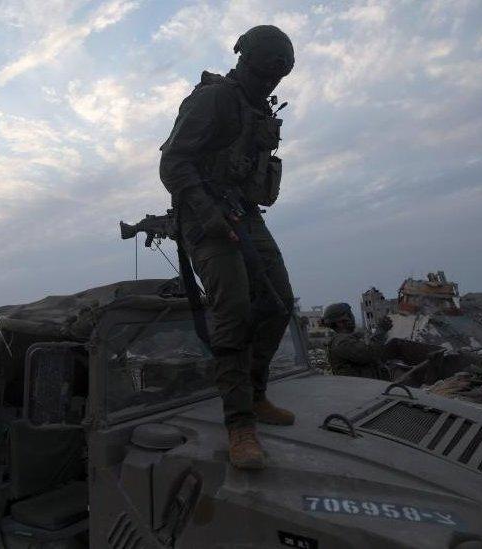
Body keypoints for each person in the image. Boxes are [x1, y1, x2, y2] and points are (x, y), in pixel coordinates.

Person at [159, 25, 295, 470]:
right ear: (247, 59)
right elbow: (173, 162)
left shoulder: (258, 108)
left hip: (243, 211)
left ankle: (254, 395)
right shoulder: (215, 98)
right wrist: (208, 213)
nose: (273, 81)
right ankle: (239, 425)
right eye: (269, 69)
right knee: (233, 310)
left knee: (278, 304)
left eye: (281, 74)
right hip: (203, 212)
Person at [321, 303, 392, 378]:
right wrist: (381, 331)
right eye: (350, 315)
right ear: (340, 322)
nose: (353, 318)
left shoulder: (343, 339)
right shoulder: (342, 342)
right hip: (364, 387)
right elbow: (369, 354)